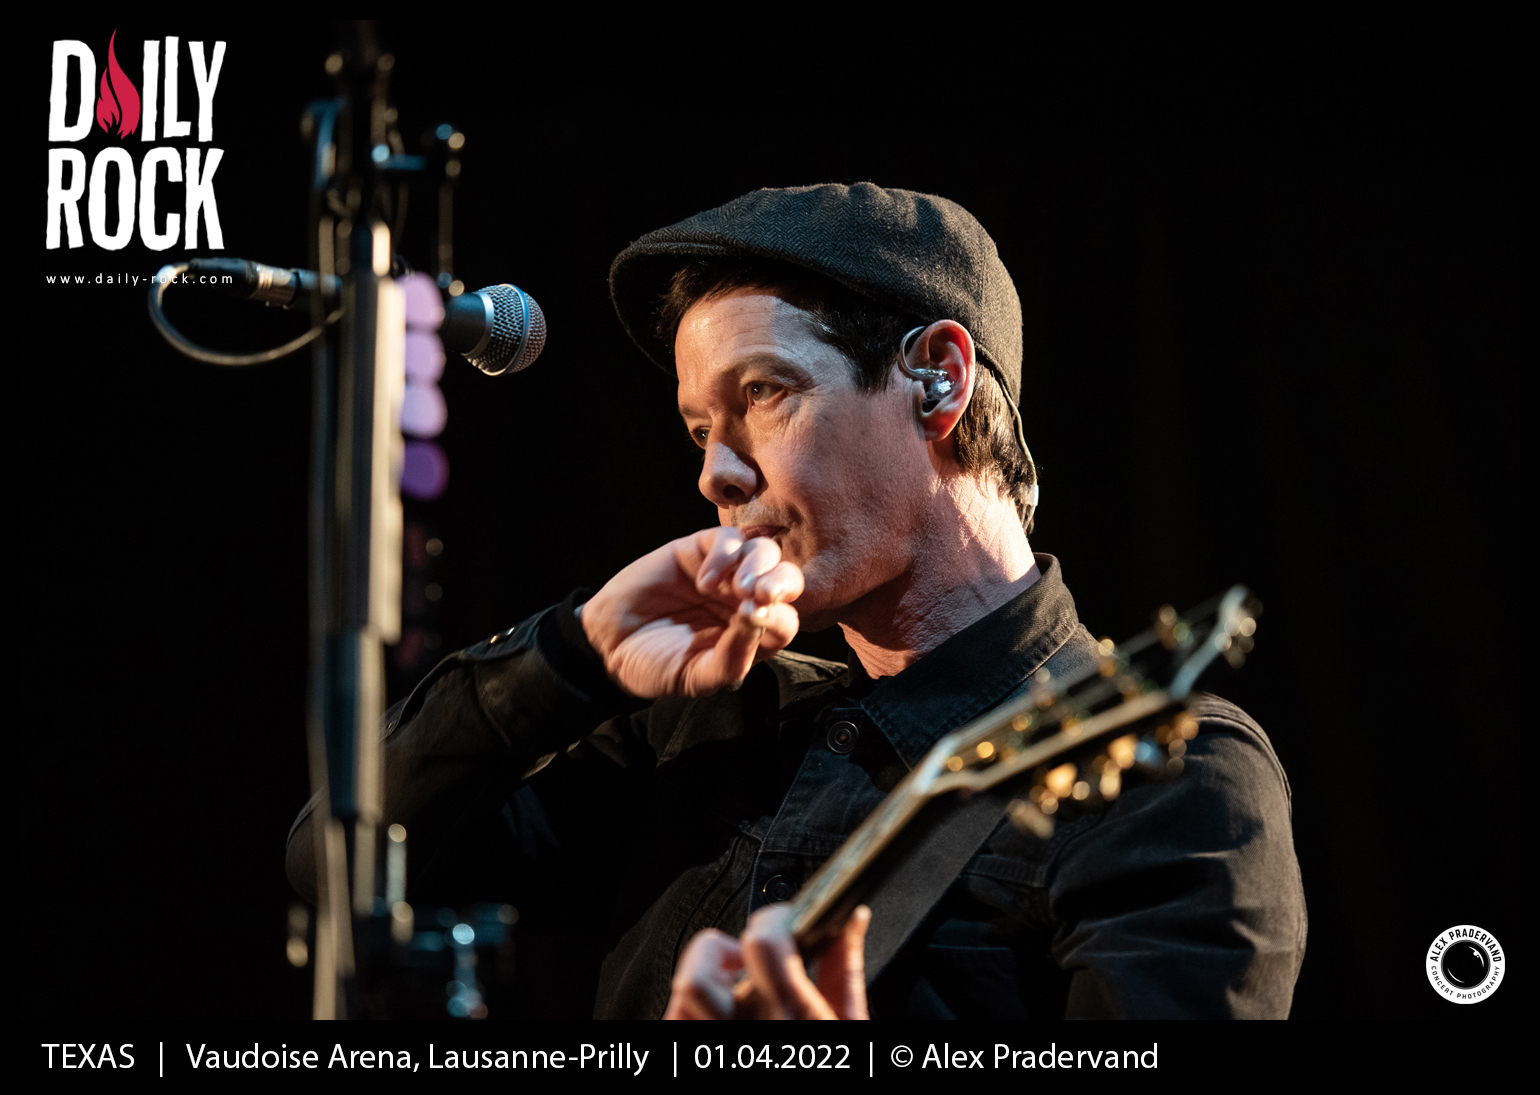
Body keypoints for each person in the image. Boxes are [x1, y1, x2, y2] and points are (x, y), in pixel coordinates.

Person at [286, 183, 1307, 1019]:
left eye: (763, 394)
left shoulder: (1172, 778)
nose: (714, 474)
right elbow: (336, 861)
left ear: (937, 380)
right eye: (699, 431)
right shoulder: (702, 719)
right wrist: (572, 654)